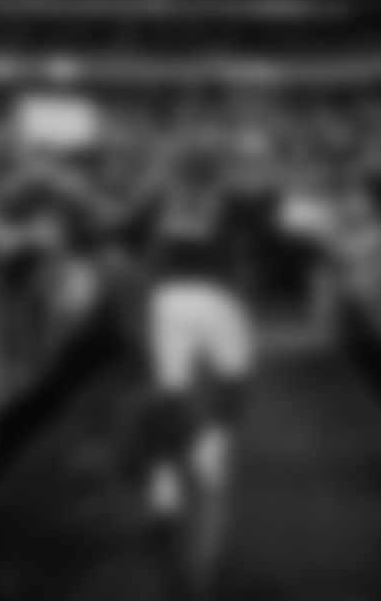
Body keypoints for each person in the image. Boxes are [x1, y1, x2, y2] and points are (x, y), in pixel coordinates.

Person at [134, 150, 257, 600]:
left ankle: (164, 486)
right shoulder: (225, 204)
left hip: (168, 300)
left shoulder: (160, 202)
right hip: (213, 296)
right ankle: (215, 439)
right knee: (238, 364)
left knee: (170, 391)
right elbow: (252, 229)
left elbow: (129, 231)